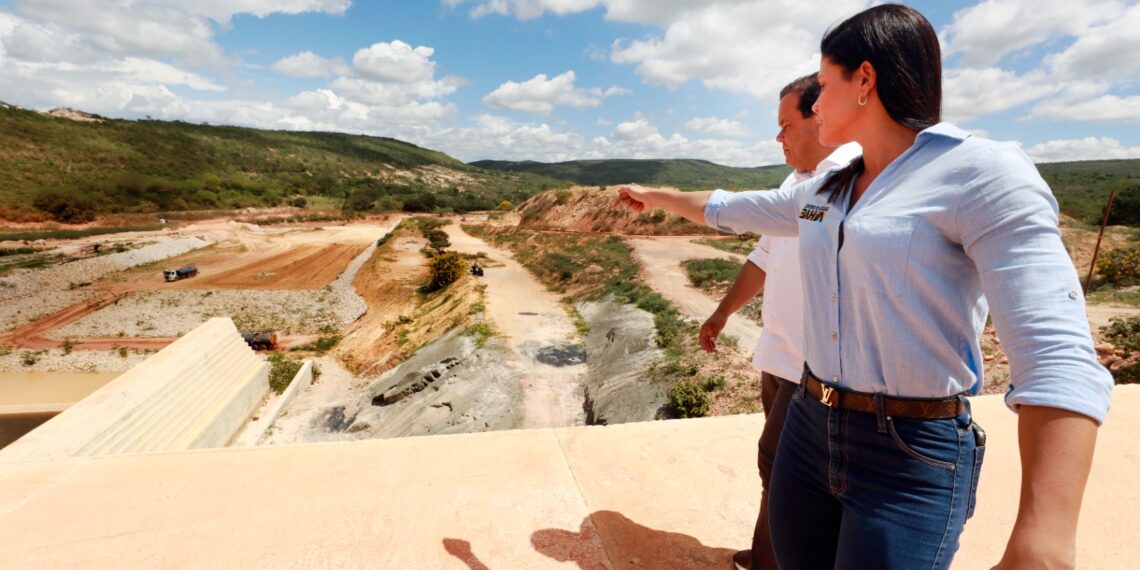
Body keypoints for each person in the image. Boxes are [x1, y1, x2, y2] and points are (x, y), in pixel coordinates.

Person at [613, 5, 1113, 569]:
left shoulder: (982, 174)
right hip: (810, 422)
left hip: (907, 451)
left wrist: (1043, 542)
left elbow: (1057, 354)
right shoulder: (828, 187)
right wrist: (656, 196)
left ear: (865, 81)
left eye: (823, 85)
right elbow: (732, 208)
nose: (816, 103)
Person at [702, 73, 859, 570]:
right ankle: (773, 550)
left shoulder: (850, 178)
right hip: (779, 356)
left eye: (785, 125)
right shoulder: (794, 185)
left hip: (815, 369)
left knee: (782, 467)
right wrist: (723, 311)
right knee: (780, 471)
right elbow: (763, 258)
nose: (779, 138)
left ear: (819, 118)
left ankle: (776, 559)